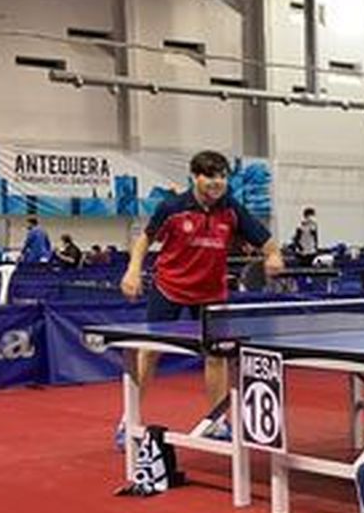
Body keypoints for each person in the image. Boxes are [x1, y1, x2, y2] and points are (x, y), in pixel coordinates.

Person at [118, 150, 283, 444]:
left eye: (222, 176)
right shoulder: (173, 207)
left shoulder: (233, 209)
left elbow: (269, 244)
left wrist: (274, 257)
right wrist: (132, 270)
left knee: (216, 355)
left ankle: (218, 422)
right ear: (195, 177)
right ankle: (127, 421)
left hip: (210, 292)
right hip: (169, 287)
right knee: (149, 352)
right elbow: (145, 239)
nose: (217, 182)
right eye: (210, 176)